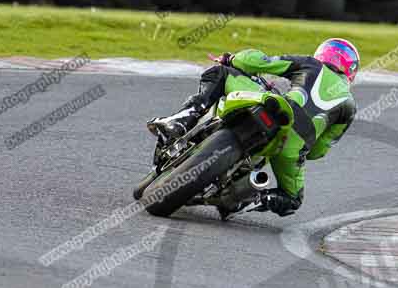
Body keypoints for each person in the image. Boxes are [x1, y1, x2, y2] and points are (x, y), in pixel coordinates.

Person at [147, 38, 360, 216]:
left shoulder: (312, 65)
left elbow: (260, 62)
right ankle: (252, 196)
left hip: (276, 106)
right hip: (291, 148)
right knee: (292, 199)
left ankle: (181, 120)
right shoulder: (349, 106)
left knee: (221, 72)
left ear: (322, 54)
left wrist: (231, 58)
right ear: (351, 71)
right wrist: (300, 149)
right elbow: (319, 150)